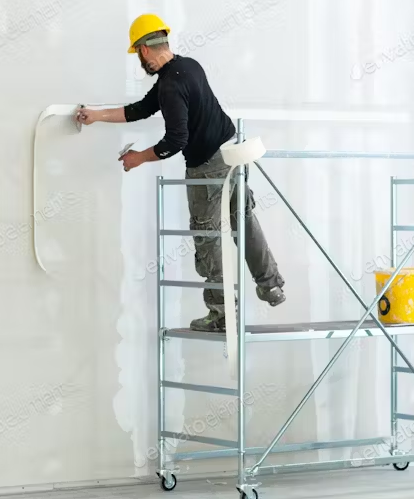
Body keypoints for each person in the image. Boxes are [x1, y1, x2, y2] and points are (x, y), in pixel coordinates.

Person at [76, 13, 285, 332]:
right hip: (232, 151)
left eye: (137, 55)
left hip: (208, 166)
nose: (139, 63)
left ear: (144, 50)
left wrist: (138, 158)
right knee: (243, 219)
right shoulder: (187, 66)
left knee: (207, 234)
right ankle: (271, 285)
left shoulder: (171, 85)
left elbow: (175, 140)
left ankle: (222, 313)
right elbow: (141, 109)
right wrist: (97, 115)